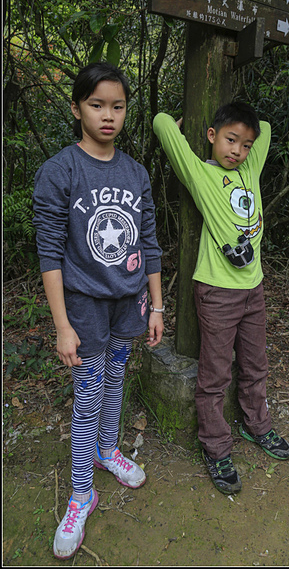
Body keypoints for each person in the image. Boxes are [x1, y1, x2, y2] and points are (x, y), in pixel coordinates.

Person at [33, 62, 164, 559]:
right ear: (76, 108)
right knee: (87, 394)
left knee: (116, 377)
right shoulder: (60, 170)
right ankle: (80, 494)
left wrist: (156, 305)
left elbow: (148, 242)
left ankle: (108, 451)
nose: (108, 115)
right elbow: (49, 253)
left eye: (118, 106)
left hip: (129, 303)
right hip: (84, 306)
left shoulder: (136, 173)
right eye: (97, 105)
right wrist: (62, 326)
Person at [153, 102, 289, 496]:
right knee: (215, 374)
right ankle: (216, 447)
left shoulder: (250, 169)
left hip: (254, 287)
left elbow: (264, 126)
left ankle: (257, 425)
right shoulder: (200, 173)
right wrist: (179, 123)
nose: (238, 151)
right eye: (231, 140)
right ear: (212, 136)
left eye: (245, 145)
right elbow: (161, 123)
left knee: (256, 363)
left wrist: (246, 134)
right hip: (217, 291)